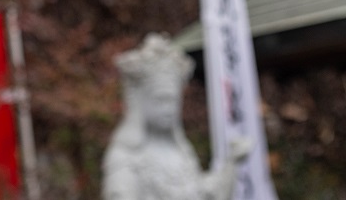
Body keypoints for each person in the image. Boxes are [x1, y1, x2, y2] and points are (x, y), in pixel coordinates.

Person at [102, 33, 251, 200]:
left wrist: (232, 163)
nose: (169, 109)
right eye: (161, 100)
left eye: (173, 101)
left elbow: (204, 193)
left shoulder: (182, 152)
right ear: (140, 102)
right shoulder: (126, 155)